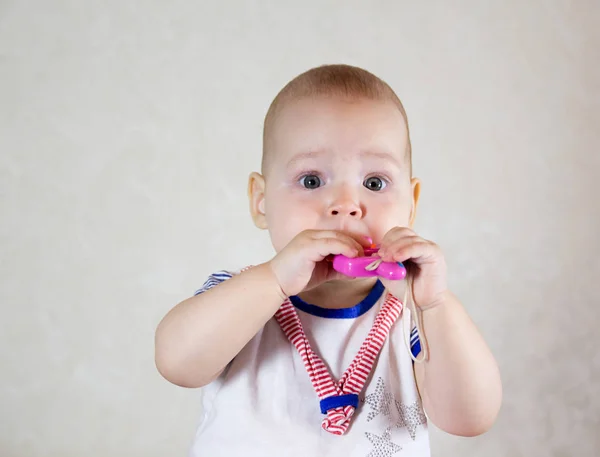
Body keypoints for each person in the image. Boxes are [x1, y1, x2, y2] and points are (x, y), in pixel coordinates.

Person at [155, 64, 502, 456]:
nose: (346, 205)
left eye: (374, 183)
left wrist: (435, 304)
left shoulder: (415, 316)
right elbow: (176, 363)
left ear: (411, 203)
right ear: (261, 201)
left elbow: (470, 418)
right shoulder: (238, 297)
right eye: (311, 181)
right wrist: (275, 281)